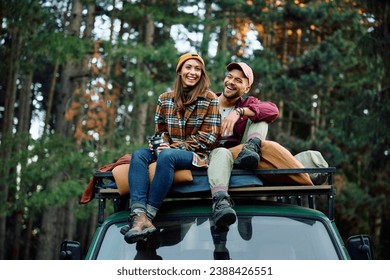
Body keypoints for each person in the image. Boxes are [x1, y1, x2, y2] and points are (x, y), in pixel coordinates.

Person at [121, 52, 221, 244]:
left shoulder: (209, 99)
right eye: (188, 67)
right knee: (139, 155)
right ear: (180, 71)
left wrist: (173, 147)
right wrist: (158, 141)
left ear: (202, 73)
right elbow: (161, 130)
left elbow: (209, 137)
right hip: (168, 150)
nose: (193, 72)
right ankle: (138, 215)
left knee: (167, 156)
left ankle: (149, 215)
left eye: (197, 69)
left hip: (197, 154)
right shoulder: (165, 99)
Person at [208, 62, 279, 228]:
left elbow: (272, 110)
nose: (231, 82)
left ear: (246, 89)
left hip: (241, 153)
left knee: (260, 116)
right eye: (229, 77)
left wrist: (239, 112)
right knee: (221, 152)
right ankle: (221, 203)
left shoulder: (247, 103)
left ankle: (251, 148)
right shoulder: (207, 103)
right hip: (215, 156)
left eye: (238, 80)